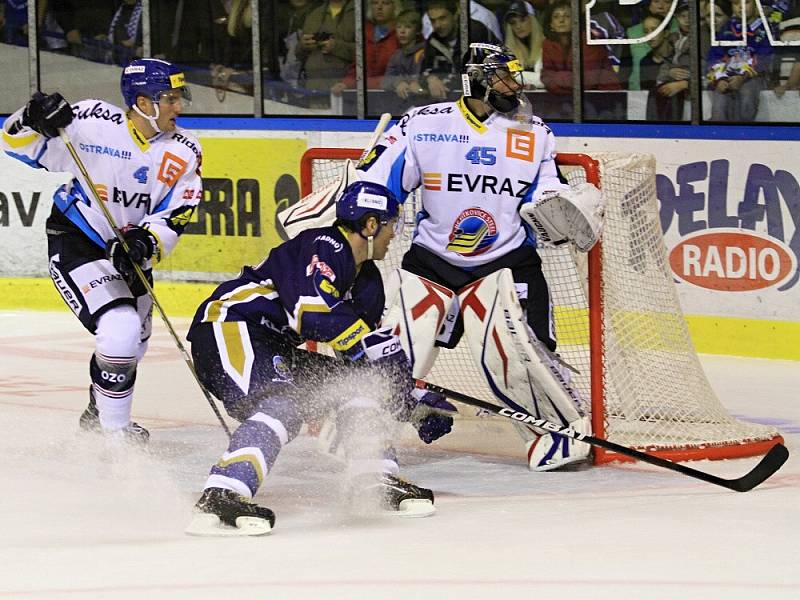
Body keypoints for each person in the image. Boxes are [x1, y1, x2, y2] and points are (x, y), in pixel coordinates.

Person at [356, 42, 597, 472]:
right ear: (478, 81)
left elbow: (547, 188)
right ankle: (362, 433)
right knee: (394, 349)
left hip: (506, 263)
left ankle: (561, 436)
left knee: (519, 355)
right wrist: (361, 205)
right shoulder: (425, 125)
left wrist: (562, 206)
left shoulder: (534, 132)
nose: (515, 85)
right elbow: (379, 179)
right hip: (433, 259)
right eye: (505, 76)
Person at [185, 181, 455, 536]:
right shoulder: (323, 245)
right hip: (230, 326)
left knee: (356, 386)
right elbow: (309, 315)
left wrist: (408, 400)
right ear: (370, 225)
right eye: (392, 224)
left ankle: (375, 479)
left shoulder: (368, 281)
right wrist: (380, 356)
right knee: (282, 404)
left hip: (273, 346)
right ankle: (223, 493)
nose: (394, 235)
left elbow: (360, 362)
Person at [0, 58, 202, 443]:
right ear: (143, 103)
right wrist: (29, 116)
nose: (179, 106)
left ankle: (99, 412)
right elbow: (14, 144)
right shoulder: (92, 121)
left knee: (132, 346)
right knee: (120, 329)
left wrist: (148, 240)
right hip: (77, 235)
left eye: (179, 97)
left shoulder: (186, 150)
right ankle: (115, 437)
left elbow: (179, 211)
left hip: (127, 251)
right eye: (170, 98)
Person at [707, 0, 779, 122]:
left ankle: (744, 135)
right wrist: (719, 78)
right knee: (719, 101)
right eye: (735, 3)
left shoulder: (765, 27)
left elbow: (765, 58)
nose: (740, 7)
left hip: (754, 77)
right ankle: (720, 137)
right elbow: (714, 56)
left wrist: (743, 76)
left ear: (756, 5)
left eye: (746, 3)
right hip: (727, 76)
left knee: (747, 94)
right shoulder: (726, 28)